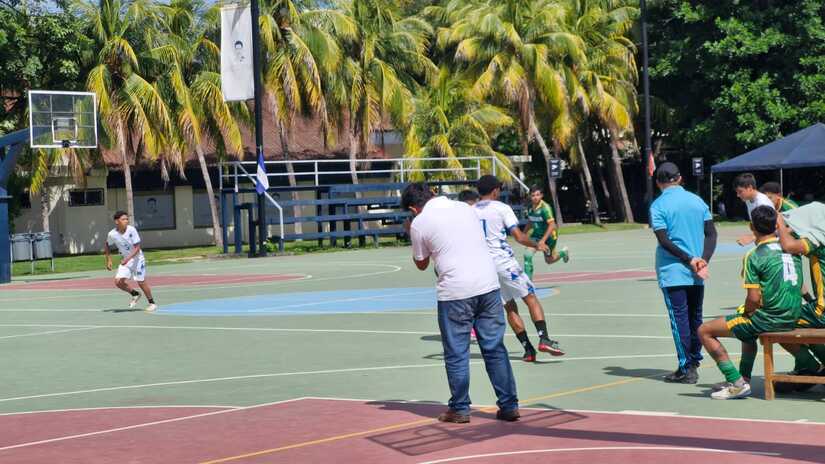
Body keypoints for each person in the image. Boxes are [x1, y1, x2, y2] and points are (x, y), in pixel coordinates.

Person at [403, 182, 519, 423]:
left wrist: (410, 231)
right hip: (487, 284)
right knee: (494, 348)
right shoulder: (465, 208)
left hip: (455, 292)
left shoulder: (419, 223)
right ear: (433, 192)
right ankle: (509, 405)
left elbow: (422, 263)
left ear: (413, 208)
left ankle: (460, 408)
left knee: (457, 353)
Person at [698, 206, 802, 399]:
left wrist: (748, 311)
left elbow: (753, 298)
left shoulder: (754, 255)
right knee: (745, 325)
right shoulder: (791, 249)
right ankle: (744, 378)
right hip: (794, 315)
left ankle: (737, 383)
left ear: (751, 226)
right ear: (776, 226)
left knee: (705, 330)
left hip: (770, 319)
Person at [473, 175, 564, 362]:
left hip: (485, 267)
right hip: (504, 262)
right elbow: (519, 237)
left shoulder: (471, 211)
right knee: (530, 297)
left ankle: (528, 350)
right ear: (495, 191)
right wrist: (537, 244)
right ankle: (544, 338)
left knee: (509, 306)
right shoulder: (501, 208)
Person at [649, 162, 717, 384]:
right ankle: (693, 362)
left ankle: (687, 367)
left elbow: (664, 240)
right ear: (679, 179)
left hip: (673, 271)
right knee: (696, 317)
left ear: (658, 183)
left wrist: (689, 259)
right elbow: (711, 234)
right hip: (697, 271)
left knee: (679, 319)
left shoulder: (658, 205)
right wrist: (703, 260)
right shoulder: (697, 201)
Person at [771, 208, 825, 391]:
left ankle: (810, 367)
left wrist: (779, 222)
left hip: (822, 311)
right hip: (818, 306)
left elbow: (789, 246)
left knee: (774, 321)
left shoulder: (818, 240)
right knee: (806, 322)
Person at [104, 211, 157, 312]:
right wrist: (109, 260)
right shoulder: (112, 234)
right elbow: (107, 244)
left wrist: (127, 259)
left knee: (140, 281)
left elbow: (137, 248)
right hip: (126, 259)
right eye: (123, 219)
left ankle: (152, 303)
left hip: (138, 259)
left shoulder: (131, 230)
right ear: (116, 221)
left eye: (127, 219)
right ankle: (135, 294)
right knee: (118, 282)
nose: (126, 221)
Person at [523, 185, 569, 281]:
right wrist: (523, 234)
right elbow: (531, 221)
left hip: (550, 237)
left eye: (537, 195)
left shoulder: (545, 208)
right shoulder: (530, 207)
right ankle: (528, 284)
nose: (535, 197)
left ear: (541, 195)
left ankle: (563, 253)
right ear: (530, 196)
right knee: (527, 255)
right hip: (536, 235)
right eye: (533, 195)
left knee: (549, 260)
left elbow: (552, 225)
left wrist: (543, 241)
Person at [734, 173, 774, 246]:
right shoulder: (748, 200)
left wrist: (752, 237)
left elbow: (771, 228)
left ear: (750, 188)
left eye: (740, 191)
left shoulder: (762, 203)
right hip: (762, 241)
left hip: (770, 243)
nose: (738, 195)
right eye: (737, 192)